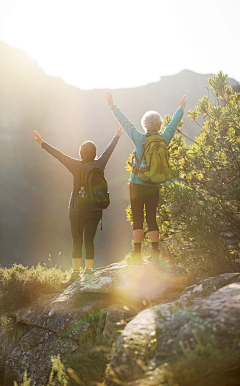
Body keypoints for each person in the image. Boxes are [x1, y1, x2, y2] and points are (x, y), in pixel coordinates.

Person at [34, 124, 124, 286]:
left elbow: (58, 155)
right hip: (95, 209)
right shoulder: (100, 164)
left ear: (81, 153)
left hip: (76, 210)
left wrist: (42, 143)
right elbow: (107, 152)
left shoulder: (75, 165)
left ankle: (75, 274)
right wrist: (117, 136)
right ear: (94, 154)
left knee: (77, 240)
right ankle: (88, 273)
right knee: (89, 240)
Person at [105, 92, 188, 265]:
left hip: (137, 184)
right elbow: (172, 125)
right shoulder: (164, 138)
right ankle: (156, 254)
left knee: (137, 218)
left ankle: (137, 255)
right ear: (159, 126)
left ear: (145, 125)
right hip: (154, 184)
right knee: (151, 217)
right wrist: (180, 109)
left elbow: (125, 123)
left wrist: (113, 106)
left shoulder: (139, 138)